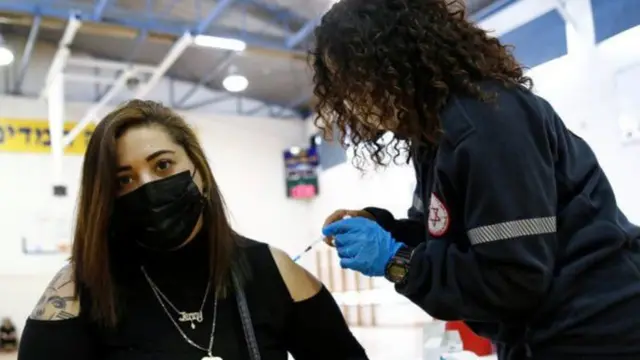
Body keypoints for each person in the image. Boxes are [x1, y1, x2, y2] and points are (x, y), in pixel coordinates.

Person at [310, 1, 640, 360]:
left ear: (394, 61)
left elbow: (514, 280)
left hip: (598, 333)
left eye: (354, 80)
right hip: (540, 335)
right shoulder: (435, 136)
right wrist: (386, 229)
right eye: (341, 86)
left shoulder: (486, 124)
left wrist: (396, 260)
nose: (351, 101)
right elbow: (446, 239)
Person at [18, 100, 368, 360]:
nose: (148, 186)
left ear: (198, 169)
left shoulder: (272, 271)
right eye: (124, 179)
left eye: (163, 165)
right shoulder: (79, 290)